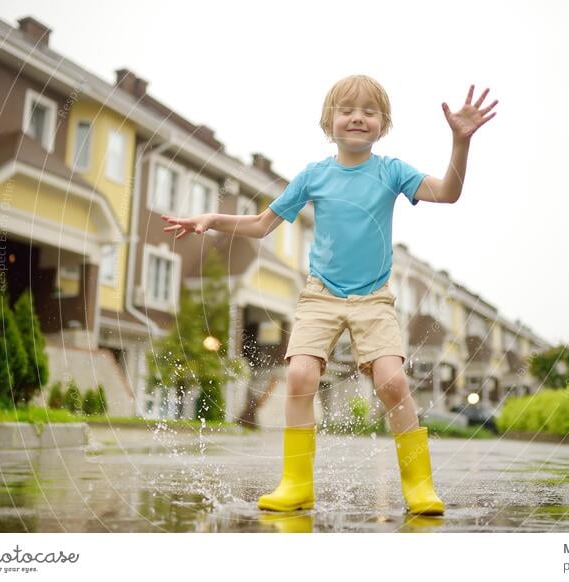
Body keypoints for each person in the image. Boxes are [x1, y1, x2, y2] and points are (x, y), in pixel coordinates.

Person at [162, 74, 497, 515]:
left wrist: (461, 143)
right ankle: (296, 484)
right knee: (300, 377)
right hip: (320, 296)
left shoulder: (391, 170)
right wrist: (212, 217)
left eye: (369, 111)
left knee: (393, 383)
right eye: (347, 110)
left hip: (374, 299)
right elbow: (263, 225)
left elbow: (448, 192)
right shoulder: (313, 176)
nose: (358, 117)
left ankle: (419, 487)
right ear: (329, 122)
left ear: (383, 124)